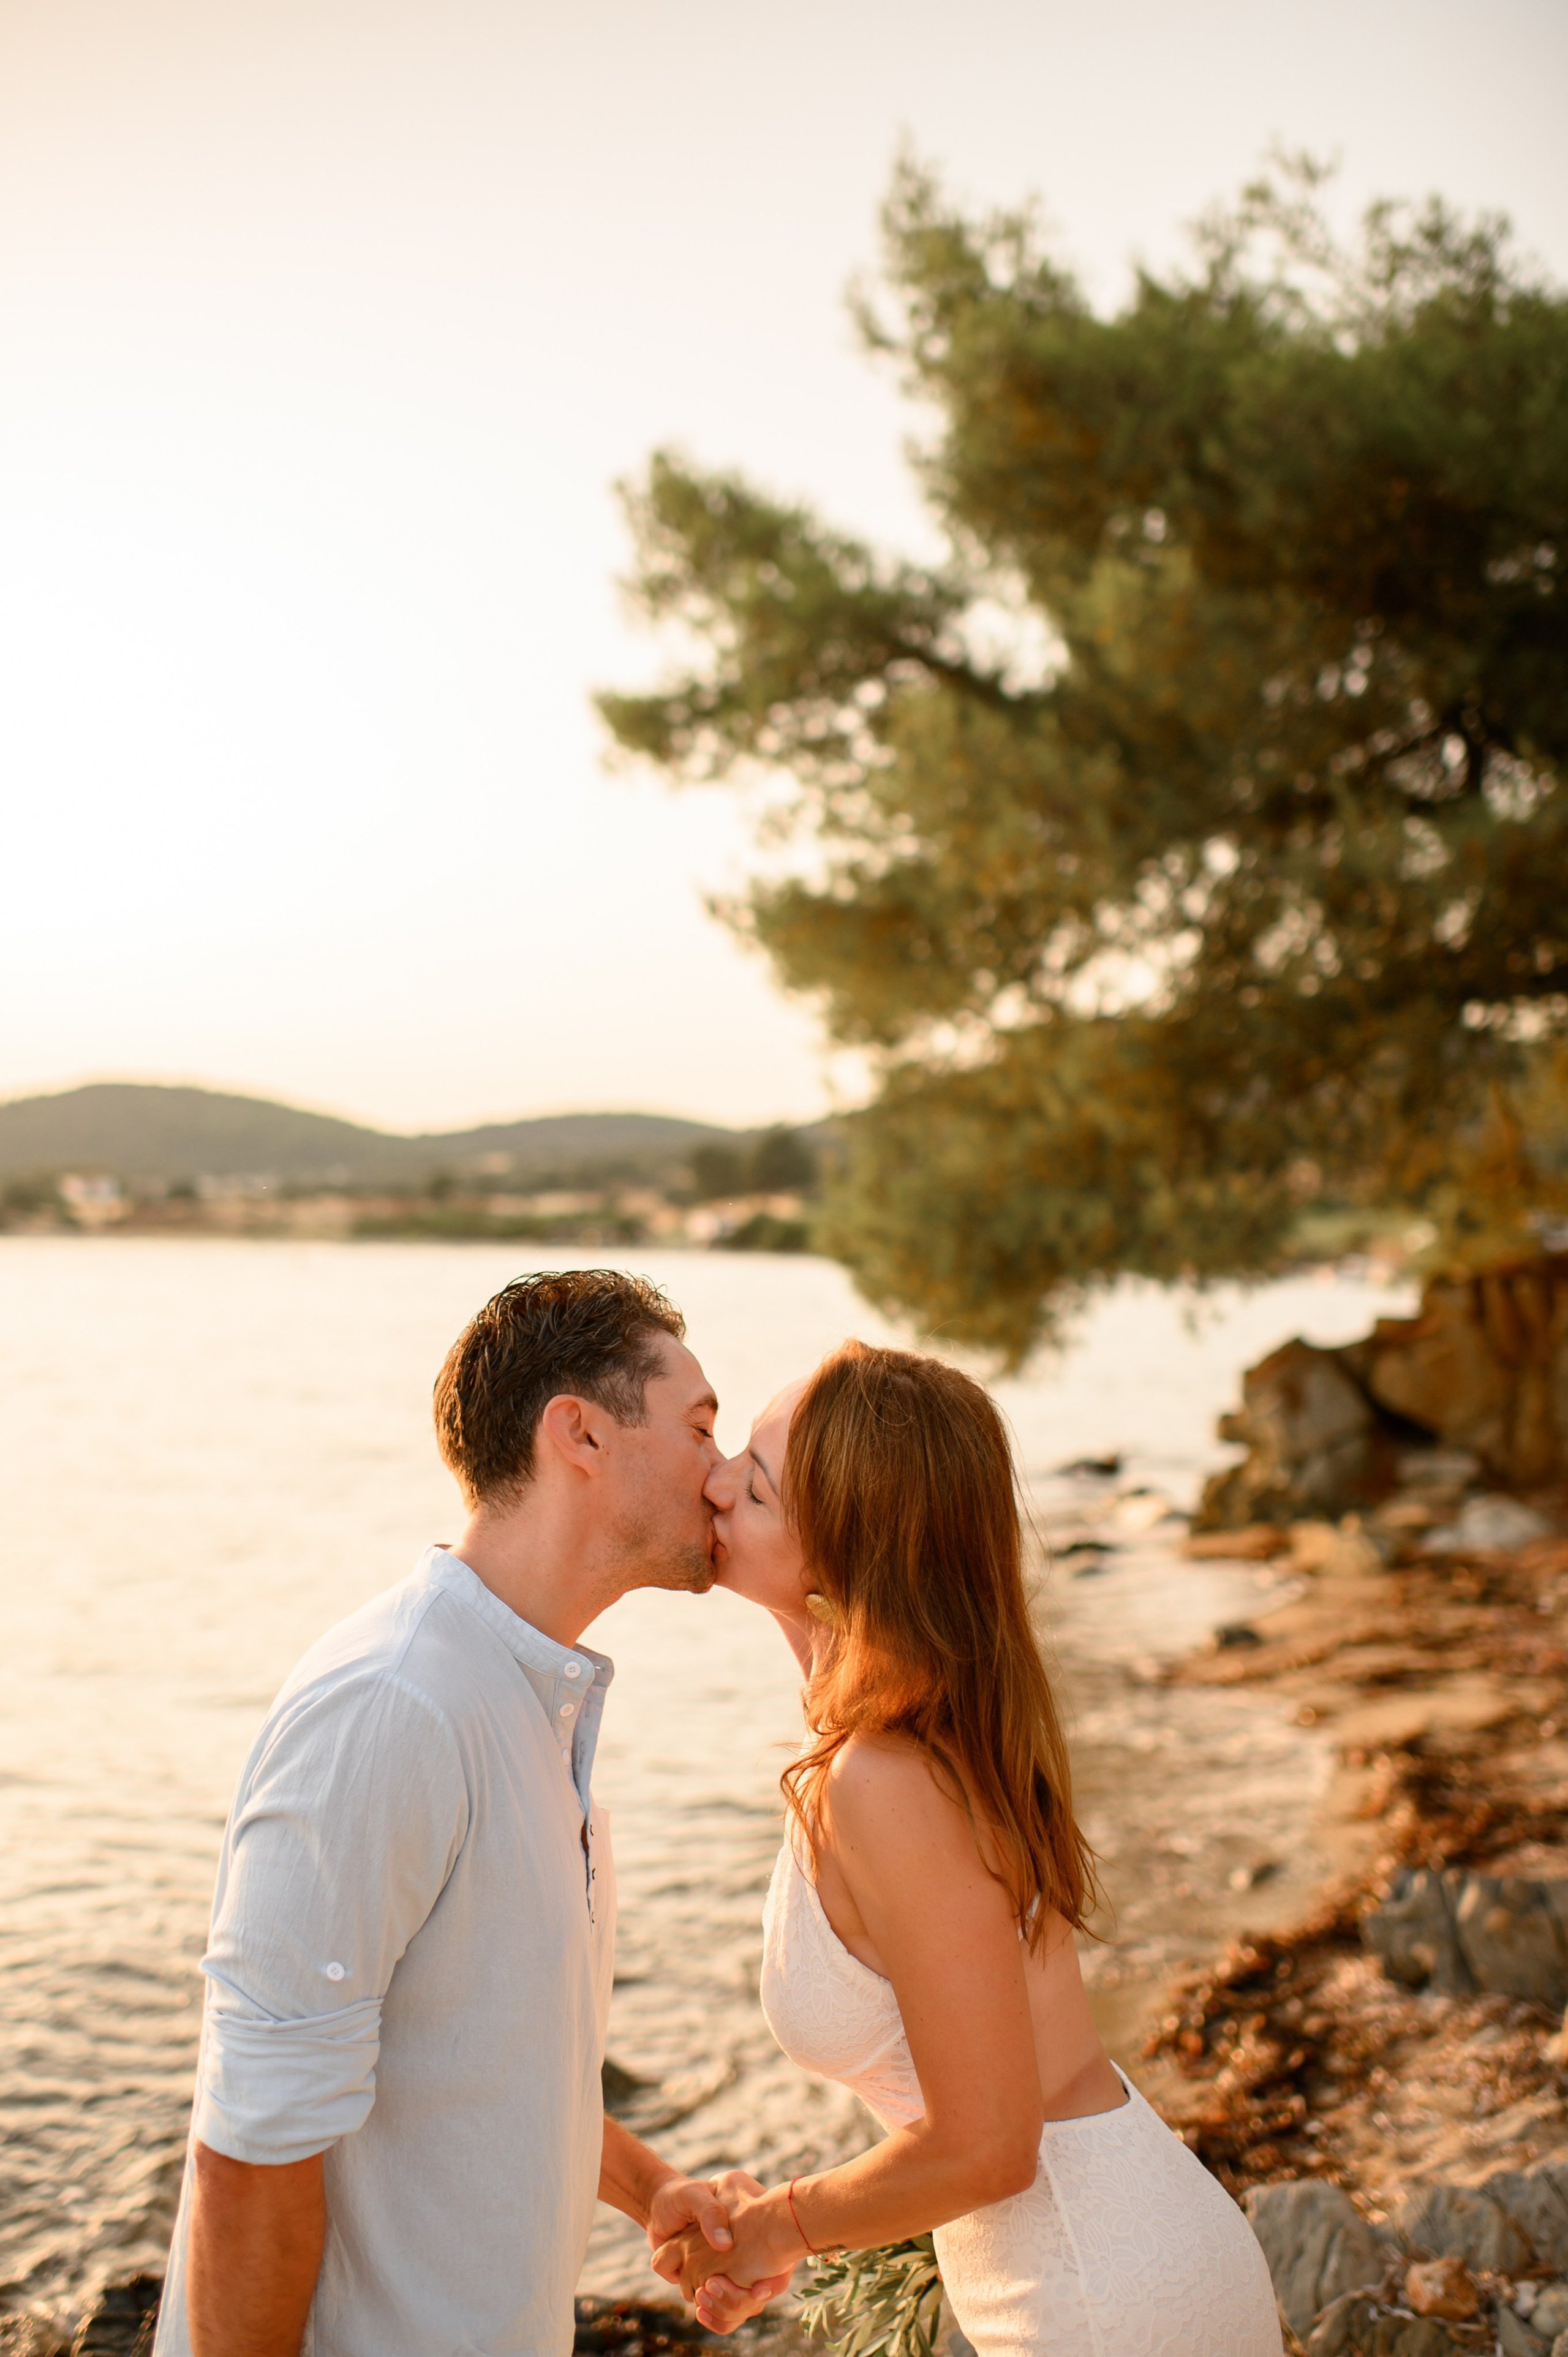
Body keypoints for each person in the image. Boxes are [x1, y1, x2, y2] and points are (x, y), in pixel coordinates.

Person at [154, 1269, 790, 2357]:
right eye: (701, 1427)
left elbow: (485, 2058)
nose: (723, 1472)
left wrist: (653, 2189)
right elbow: (250, 2149)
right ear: (580, 1435)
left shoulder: (532, 1698)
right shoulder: (393, 1706)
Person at [655, 1340, 1283, 2356]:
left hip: (1093, 2290)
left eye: (757, 1488)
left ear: (844, 1568)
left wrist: (775, 2225)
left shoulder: (885, 1783)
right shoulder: (923, 1736)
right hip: (1108, 2245)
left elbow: (988, 2148)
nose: (717, 1481)